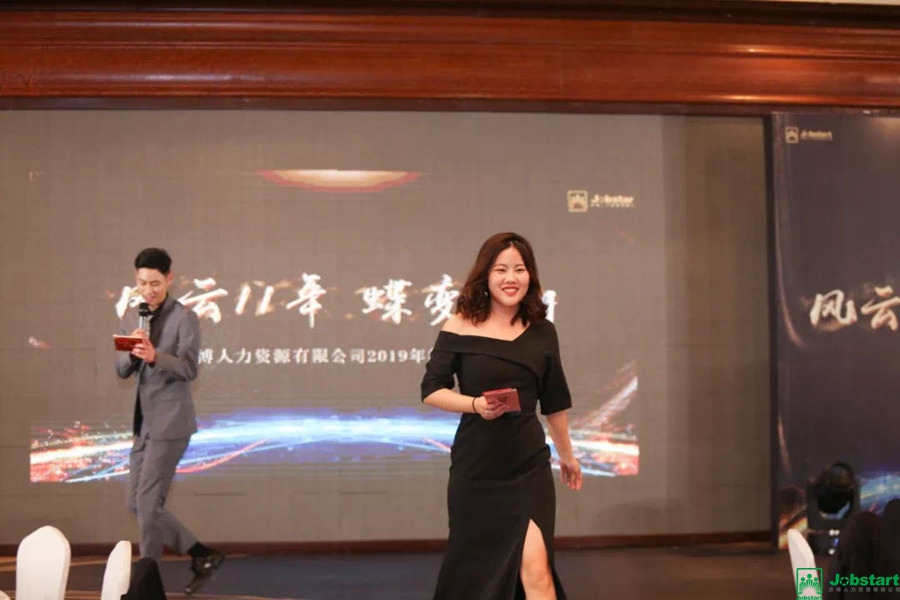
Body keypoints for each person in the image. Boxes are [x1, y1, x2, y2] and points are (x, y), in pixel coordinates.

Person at [421, 232, 583, 600]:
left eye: (519, 269)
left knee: (537, 570)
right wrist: (475, 405)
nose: (511, 278)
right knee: (476, 577)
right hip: (477, 469)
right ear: (486, 275)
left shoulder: (543, 331)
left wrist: (567, 456)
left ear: (530, 276)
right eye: (501, 270)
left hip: (528, 466)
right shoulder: (459, 324)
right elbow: (431, 389)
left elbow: (554, 401)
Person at [115, 247, 224, 595]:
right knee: (135, 504)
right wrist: (134, 354)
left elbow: (189, 368)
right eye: (142, 283)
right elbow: (121, 369)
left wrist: (155, 356)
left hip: (171, 424)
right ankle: (201, 553)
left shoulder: (184, 318)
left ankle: (146, 587)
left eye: (155, 283)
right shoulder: (132, 316)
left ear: (169, 279)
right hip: (143, 424)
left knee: (148, 506)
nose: (148, 290)